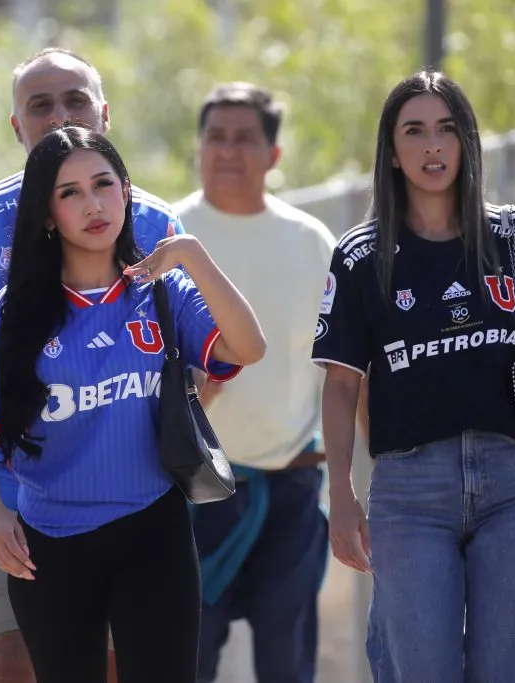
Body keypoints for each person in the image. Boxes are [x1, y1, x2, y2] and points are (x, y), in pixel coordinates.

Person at [0, 47, 185, 682]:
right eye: (38, 104)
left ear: (104, 113)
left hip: (131, 501)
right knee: (16, 668)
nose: (58, 114)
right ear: (16, 127)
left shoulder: (157, 223)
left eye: (75, 99)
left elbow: (200, 365)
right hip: (6, 499)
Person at [0, 125, 265, 683]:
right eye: (69, 192)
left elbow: (249, 347)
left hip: (155, 533)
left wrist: (191, 253)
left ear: (127, 192)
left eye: (103, 184)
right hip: (49, 546)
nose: (92, 204)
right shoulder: (14, 308)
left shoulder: (161, 292)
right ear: (47, 215)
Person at [312, 70, 515, 682]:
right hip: (410, 494)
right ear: (391, 150)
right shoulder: (361, 255)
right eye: (414, 131)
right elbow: (339, 385)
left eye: (446, 129)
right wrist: (340, 495)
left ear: (467, 141)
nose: (432, 145)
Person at [173, 82, 335, 683]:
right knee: (186, 662)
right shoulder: (166, 233)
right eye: (216, 136)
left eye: (245, 138)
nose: (228, 150)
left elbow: (345, 371)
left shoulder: (313, 241)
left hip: (289, 487)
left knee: (287, 668)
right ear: (198, 146)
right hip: (189, 496)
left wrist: (351, 487)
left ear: (274, 154)